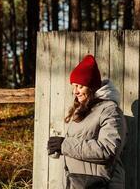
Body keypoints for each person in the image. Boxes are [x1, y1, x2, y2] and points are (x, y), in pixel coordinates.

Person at [47, 54, 127, 189]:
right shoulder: (83, 111)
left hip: (102, 184)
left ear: (91, 87)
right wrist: (58, 147)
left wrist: (65, 145)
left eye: (79, 86)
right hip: (78, 183)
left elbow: (108, 149)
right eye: (73, 86)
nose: (75, 91)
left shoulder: (110, 110)